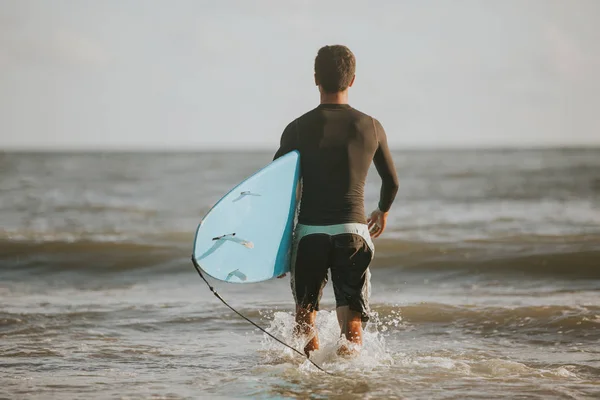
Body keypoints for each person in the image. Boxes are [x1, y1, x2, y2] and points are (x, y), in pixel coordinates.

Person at [273, 45, 399, 357]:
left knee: (304, 320)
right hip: (353, 232)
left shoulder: (297, 128)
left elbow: (278, 187)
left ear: (316, 79)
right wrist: (382, 211)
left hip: (309, 235)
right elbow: (392, 182)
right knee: (352, 324)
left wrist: (276, 247)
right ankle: (347, 383)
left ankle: (312, 380)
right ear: (352, 80)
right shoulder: (371, 126)